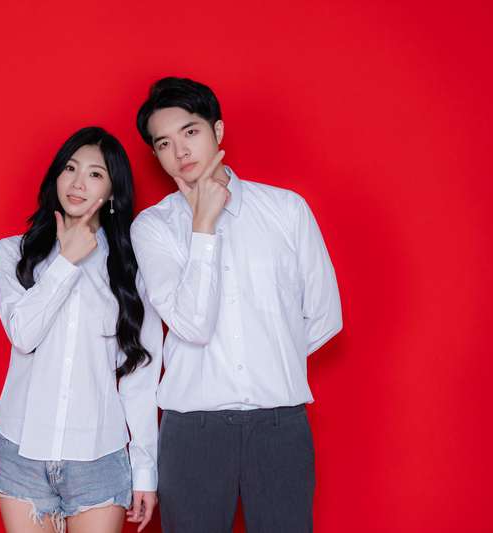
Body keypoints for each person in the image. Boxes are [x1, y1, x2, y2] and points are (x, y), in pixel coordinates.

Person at [131, 77, 343, 533]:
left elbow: (326, 315)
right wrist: (203, 225)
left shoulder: (286, 210)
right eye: (164, 143)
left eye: (190, 132)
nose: (180, 151)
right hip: (193, 432)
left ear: (218, 130)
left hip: (280, 426)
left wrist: (271, 359)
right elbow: (191, 325)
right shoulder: (153, 227)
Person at [0, 127, 162, 533]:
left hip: (99, 455)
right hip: (22, 450)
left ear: (113, 191)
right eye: (70, 168)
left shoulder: (131, 270)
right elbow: (23, 335)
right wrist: (65, 263)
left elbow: (140, 377)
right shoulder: (13, 253)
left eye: (95, 174)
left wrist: (145, 471)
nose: (78, 182)